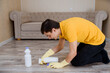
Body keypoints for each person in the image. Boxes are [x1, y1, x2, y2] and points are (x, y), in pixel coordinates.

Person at [40, 17, 110, 69]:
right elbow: (60, 46)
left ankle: (102, 56)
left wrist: (61, 64)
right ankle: (96, 51)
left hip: (98, 41)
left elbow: (73, 52)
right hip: (88, 40)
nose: (49, 38)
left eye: (49, 35)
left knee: (76, 62)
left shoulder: (68, 29)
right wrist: (45, 55)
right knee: (72, 57)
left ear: (54, 30)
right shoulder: (61, 27)